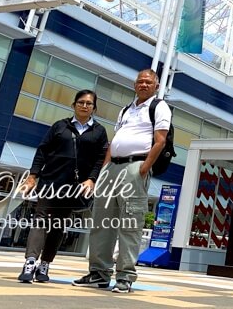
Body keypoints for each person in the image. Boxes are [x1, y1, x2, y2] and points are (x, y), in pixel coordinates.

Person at [73, 68, 170, 293]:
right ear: (135, 85)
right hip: (113, 166)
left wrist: (144, 168)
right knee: (101, 221)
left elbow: (160, 141)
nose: (143, 85)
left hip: (135, 166)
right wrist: (105, 169)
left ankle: (125, 276)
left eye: (148, 82)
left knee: (129, 223)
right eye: (140, 81)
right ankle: (99, 273)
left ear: (156, 86)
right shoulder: (127, 109)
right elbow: (115, 140)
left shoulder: (159, 107)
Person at [17, 89, 109, 283]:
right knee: (41, 220)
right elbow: (42, 150)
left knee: (58, 226)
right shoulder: (60, 126)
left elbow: (100, 159)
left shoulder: (99, 132)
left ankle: (45, 265)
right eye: (81, 102)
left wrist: (92, 179)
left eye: (89, 103)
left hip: (75, 187)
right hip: (51, 181)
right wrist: (33, 176)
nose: (84, 106)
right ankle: (30, 263)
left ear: (94, 108)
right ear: (74, 105)